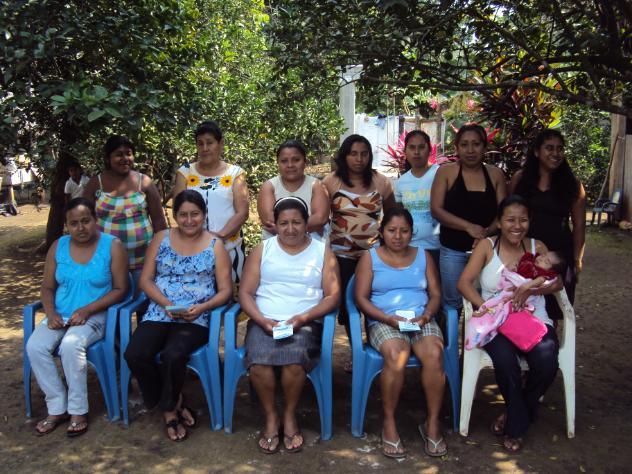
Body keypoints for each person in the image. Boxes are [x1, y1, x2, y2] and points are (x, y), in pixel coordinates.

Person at [124, 190, 233, 442]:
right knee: (135, 354)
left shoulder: (215, 245)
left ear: (204, 215)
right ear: (174, 216)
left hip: (196, 317)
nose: (189, 220)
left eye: (195, 214)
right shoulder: (161, 238)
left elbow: (226, 290)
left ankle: (168, 411)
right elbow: (145, 280)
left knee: (174, 355)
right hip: (160, 311)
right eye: (183, 215)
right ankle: (173, 403)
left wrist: (203, 307)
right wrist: (166, 304)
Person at [457, 195, 564, 453]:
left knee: (547, 362)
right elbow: (463, 283)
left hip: (534, 319)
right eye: (510, 220)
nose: (517, 226)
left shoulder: (538, 246)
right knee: (506, 363)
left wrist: (533, 289)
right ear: (499, 221)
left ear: (530, 221)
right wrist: (485, 307)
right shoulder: (487, 246)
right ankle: (517, 427)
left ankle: (516, 412)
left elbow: (558, 282)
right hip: (497, 322)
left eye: (523, 220)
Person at [239, 197, 340, 454]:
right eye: (284, 223)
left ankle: (289, 414)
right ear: (275, 225)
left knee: (294, 363)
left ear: (307, 223)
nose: (290, 229)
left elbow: (332, 295)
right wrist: (261, 319)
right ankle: (271, 417)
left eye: (297, 222)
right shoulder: (263, 249)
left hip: (305, 322)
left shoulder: (322, 251)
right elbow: (246, 293)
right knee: (259, 363)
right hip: (265, 320)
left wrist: (303, 318)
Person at [26, 198, 129, 437]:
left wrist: (87, 310)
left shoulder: (112, 246)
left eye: (86, 221)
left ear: (96, 220)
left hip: (96, 315)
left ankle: (78, 410)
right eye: (74, 223)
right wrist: (51, 313)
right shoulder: (58, 246)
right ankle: (57, 407)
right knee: (35, 346)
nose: (80, 228)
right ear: (66, 225)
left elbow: (120, 289)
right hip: (60, 314)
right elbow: (47, 288)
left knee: (71, 346)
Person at [354, 207, 446, 459]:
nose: (397, 236)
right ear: (382, 231)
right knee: (397, 354)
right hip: (384, 320)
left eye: (404, 231)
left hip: (420, 318)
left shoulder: (423, 256)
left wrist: (426, 315)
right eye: (392, 230)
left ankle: (432, 422)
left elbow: (435, 294)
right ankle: (389, 421)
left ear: (412, 232)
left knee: (434, 354)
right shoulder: (370, 258)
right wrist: (386, 318)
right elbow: (360, 298)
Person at [323, 134, 395, 359]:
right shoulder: (331, 182)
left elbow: (392, 217)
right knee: (347, 307)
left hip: (373, 257)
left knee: (374, 303)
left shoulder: (381, 182)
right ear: (344, 156)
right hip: (340, 256)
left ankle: (377, 348)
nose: (359, 159)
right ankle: (357, 353)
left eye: (364, 154)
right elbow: (322, 217)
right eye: (353, 154)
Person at [509, 129, 586, 320]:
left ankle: (550, 337)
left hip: (558, 255)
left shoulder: (573, 185)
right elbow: (507, 213)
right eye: (549, 148)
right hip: (527, 252)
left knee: (553, 309)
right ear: (537, 151)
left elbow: (579, 226)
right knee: (522, 303)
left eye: (560, 149)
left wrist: (577, 260)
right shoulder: (520, 179)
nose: (555, 153)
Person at [431, 124, 506, 310]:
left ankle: (481, 330)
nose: (470, 150)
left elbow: (504, 213)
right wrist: (468, 227)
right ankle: (450, 330)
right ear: (457, 147)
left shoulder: (495, 174)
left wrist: (485, 233)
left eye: (476, 144)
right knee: (452, 303)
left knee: (486, 300)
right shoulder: (446, 172)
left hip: (488, 250)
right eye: (464, 144)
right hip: (453, 250)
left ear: (485, 147)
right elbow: (436, 210)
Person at [83, 135, 167, 284]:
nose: (125, 158)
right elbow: (84, 220)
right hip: (106, 263)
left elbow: (159, 223)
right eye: (119, 155)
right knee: (111, 298)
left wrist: (161, 255)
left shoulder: (144, 182)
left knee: (142, 298)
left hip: (142, 262)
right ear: (108, 158)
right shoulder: (96, 184)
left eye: (128, 154)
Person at [173, 120, 249, 282]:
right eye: (200, 143)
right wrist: (198, 239)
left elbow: (242, 213)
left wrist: (218, 237)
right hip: (192, 248)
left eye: (210, 142)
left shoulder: (235, 173)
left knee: (230, 292)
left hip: (229, 248)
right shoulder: (185, 172)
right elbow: (177, 210)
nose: (205, 148)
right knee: (196, 291)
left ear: (220, 144)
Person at [464, 250, 565, 350]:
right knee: (496, 305)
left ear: (551, 270)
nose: (542, 258)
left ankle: (485, 330)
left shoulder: (543, 274)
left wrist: (527, 287)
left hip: (524, 304)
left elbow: (543, 282)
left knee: (502, 311)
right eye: (543, 255)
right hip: (507, 293)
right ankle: (483, 324)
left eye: (546, 262)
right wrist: (513, 270)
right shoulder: (529, 261)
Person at [257, 140, 329, 241]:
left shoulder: (316, 185)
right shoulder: (269, 186)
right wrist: (308, 227)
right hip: (275, 244)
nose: (290, 165)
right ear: (278, 163)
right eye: (284, 161)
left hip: (312, 243)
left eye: (296, 160)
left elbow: (320, 218)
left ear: (305, 162)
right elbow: (269, 220)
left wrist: (281, 227)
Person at [394, 130, 440, 264]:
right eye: (412, 147)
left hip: (438, 247)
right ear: (405, 151)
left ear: (430, 149)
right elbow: (398, 214)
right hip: (410, 247)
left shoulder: (440, 174)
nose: (416, 152)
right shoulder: (401, 182)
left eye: (421, 147)